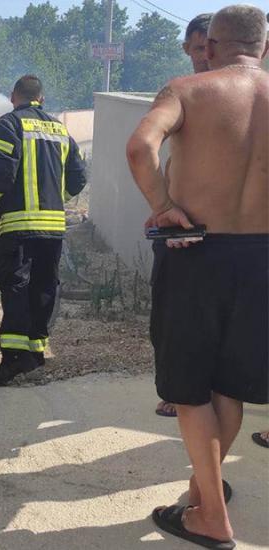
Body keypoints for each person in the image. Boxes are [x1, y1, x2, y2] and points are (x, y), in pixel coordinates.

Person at [126, 5, 268, 548]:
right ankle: (202, 492)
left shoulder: (187, 88)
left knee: (189, 390)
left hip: (197, 251)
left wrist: (163, 205)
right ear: (265, 46)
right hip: (263, 258)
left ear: (209, 46)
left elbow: (140, 148)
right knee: (229, 385)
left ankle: (211, 515)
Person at [0, 75, 87, 387]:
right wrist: (57, 200)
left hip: (18, 226)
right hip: (53, 228)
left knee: (15, 288)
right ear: (41, 99)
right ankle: (35, 352)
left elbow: (0, 175)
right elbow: (80, 177)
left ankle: (12, 360)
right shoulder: (60, 130)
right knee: (44, 287)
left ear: (13, 96)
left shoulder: (9, 124)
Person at [155, 12, 214, 419]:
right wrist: (162, 207)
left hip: (231, 230)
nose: (204, 57)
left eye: (211, 48)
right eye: (197, 49)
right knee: (173, 321)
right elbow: (159, 158)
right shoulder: (182, 93)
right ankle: (180, 391)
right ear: (185, 49)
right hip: (180, 227)